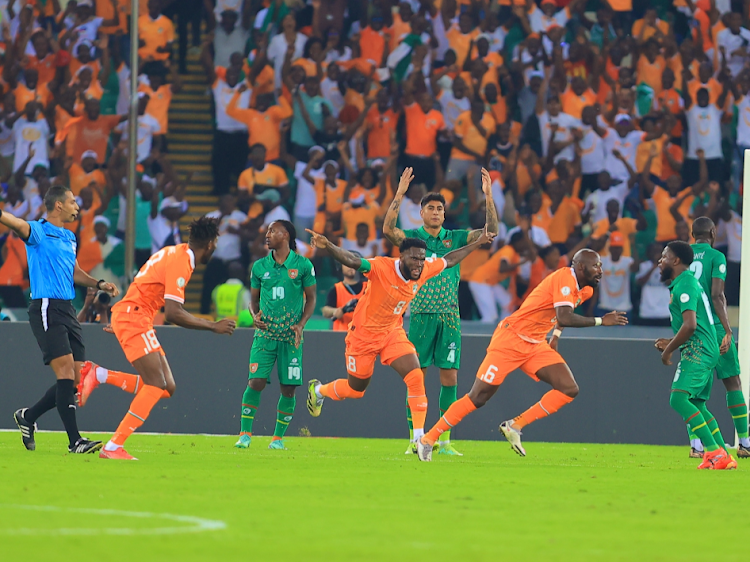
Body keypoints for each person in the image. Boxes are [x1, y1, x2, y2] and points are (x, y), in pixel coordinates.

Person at [304, 213, 495, 456]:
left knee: (415, 376)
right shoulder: (382, 267)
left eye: (422, 260)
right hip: (362, 336)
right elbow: (353, 261)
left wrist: (477, 243)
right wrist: (328, 245)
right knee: (356, 389)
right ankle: (319, 391)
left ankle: (419, 440)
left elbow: (449, 259)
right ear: (401, 256)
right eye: (414, 259)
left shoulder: (424, 269)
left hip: (392, 332)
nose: (419, 264)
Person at [418, 250, 628, 462]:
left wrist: (554, 335)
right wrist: (602, 321)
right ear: (581, 267)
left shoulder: (587, 290)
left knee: (569, 388)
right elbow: (564, 316)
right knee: (478, 397)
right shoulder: (564, 277)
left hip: (536, 344)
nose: (601, 271)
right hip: (511, 339)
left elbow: (562, 314)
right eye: (596, 266)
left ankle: (514, 425)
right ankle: (428, 439)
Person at [78, 217, 237, 460]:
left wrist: (123, 320)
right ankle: (113, 447)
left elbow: (143, 285)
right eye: (215, 243)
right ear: (209, 243)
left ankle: (100, 375)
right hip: (135, 317)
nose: (215, 248)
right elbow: (173, 313)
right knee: (155, 383)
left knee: (166, 387)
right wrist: (212, 325)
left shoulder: (174, 252)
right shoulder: (181, 262)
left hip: (135, 317)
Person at [383, 167, 499, 455]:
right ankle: (415, 439)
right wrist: (399, 193)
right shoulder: (412, 239)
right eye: (430, 208)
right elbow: (388, 230)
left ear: (444, 214)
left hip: (449, 317)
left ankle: (443, 441)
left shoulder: (456, 238)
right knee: (416, 377)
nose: (435, 212)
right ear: (421, 213)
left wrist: (488, 196)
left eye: (439, 208)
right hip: (420, 314)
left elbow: (491, 232)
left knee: (450, 379)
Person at [2, 186, 119, 454]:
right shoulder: (38, 232)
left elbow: (74, 272)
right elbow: (15, 222)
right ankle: (75, 441)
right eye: (73, 202)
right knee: (65, 372)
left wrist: (99, 283)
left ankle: (28, 417)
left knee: (74, 379)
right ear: (58, 206)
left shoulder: (69, 237)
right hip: (45, 306)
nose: (77, 206)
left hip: (67, 308)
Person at [653, 241, 736, 470]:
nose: (660, 261)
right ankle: (724, 455)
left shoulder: (686, 283)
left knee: (678, 399)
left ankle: (713, 452)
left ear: (676, 261)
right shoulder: (686, 283)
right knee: (697, 403)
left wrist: (669, 351)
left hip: (698, 350)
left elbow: (690, 325)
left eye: (664, 257)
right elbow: (693, 325)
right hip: (704, 348)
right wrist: (671, 341)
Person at [235, 220, 316, 450]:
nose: (267, 234)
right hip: (265, 335)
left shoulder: (302, 265)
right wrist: (254, 315)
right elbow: (252, 300)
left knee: (288, 388)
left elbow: (311, 299)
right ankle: (244, 434)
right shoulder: (260, 266)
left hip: (291, 337)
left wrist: (301, 325)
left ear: (286, 235)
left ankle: (277, 438)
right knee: (256, 381)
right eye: (268, 231)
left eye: (272, 231)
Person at [684, 217, 749, 459]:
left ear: (692, 234)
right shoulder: (716, 257)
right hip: (715, 329)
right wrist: (728, 329)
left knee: (690, 391)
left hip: (692, 330)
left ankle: (696, 446)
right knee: (733, 383)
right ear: (713, 232)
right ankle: (744, 443)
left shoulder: (682, 256)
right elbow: (717, 294)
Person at [322, 254, 367, 331]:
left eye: (354, 263)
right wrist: (335, 311)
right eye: (347, 263)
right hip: (342, 334)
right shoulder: (336, 289)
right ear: (340, 267)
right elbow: (325, 310)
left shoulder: (368, 287)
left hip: (364, 335)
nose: (351, 266)